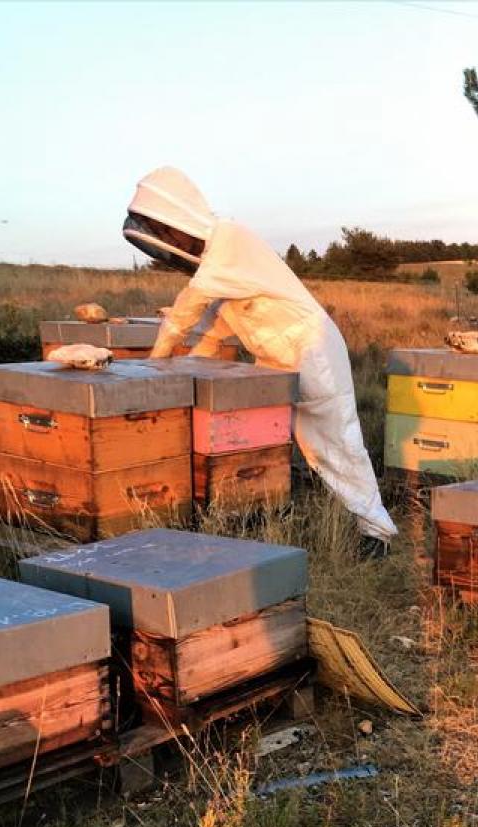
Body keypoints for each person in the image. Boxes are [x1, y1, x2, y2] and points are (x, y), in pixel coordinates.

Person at [122, 166, 397, 557]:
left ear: (179, 216)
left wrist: (155, 362)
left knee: (336, 440)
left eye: (166, 231)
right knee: (259, 437)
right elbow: (212, 327)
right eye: (161, 235)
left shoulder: (229, 241)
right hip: (274, 358)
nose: (168, 240)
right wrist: (183, 381)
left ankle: (377, 532)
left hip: (311, 347)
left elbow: (188, 308)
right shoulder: (221, 272)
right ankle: (275, 511)